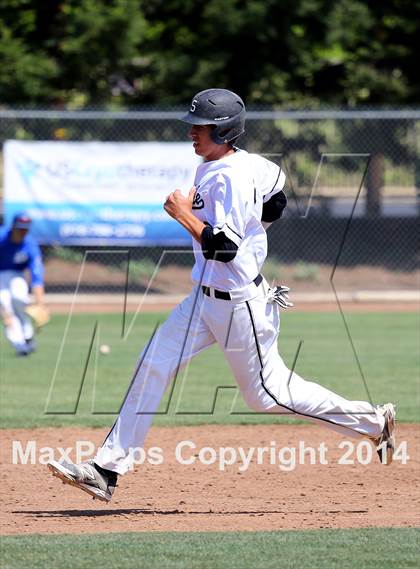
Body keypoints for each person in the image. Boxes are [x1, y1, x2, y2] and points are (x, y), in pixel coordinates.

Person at [47, 89, 396, 502]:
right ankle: (106, 470)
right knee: (153, 364)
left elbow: (224, 249)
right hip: (201, 299)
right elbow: (277, 198)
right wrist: (254, 227)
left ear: (225, 130)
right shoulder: (244, 164)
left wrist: (185, 216)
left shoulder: (230, 176)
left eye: (202, 127)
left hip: (238, 303)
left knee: (267, 395)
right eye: (194, 125)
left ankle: (373, 422)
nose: (193, 132)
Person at [0, 213, 46, 356]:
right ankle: (21, 347)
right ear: (13, 227)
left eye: (26, 229)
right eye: (20, 228)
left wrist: (40, 304)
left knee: (19, 299)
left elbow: (37, 276)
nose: (23, 232)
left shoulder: (30, 245)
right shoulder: (1, 238)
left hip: (17, 276)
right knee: (5, 305)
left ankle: (27, 335)